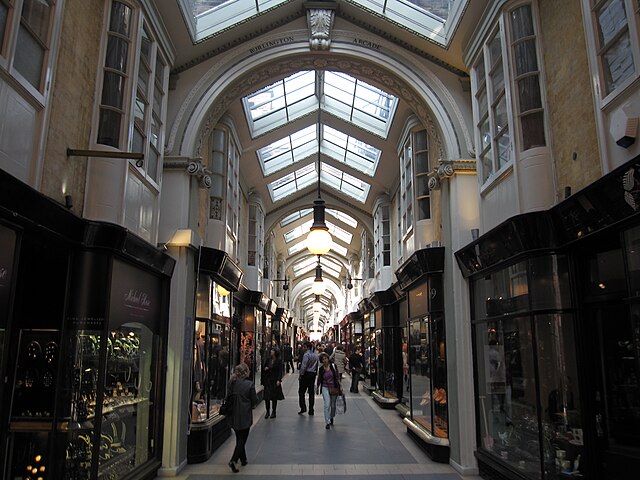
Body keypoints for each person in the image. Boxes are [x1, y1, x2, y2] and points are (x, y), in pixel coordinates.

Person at [226, 363, 258, 473]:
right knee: (242, 439)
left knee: (239, 437)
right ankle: (233, 460)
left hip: (233, 415)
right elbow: (255, 400)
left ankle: (243, 459)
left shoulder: (231, 383)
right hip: (244, 415)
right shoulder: (249, 384)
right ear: (246, 372)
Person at [316, 352, 342, 429]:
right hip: (325, 387)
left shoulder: (333, 366)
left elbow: (337, 377)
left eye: (326, 358)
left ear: (328, 359)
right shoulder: (321, 369)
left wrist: (340, 386)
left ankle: (331, 417)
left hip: (333, 387)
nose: (324, 360)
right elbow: (319, 378)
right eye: (323, 359)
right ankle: (327, 422)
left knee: (333, 405)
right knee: (327, 404)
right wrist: (317, 387)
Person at [298, 341, 319, 415]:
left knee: (301, 392)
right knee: (311, 392)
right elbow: (317, 365)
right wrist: (315, 372)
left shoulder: (306, 355)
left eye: (304, 347)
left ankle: (303, 407)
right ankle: (311, 409)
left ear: (307, 347)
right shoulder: (315, 355)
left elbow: (303, 366)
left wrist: (301, 374)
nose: (303, 348)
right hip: (312, 374)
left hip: (306, 374)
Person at [262, 348, 284, 419]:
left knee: (274, 397)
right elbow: (264, 367)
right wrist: (265, 369)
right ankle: (267, 411)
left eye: (272, 351)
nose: (271, 352)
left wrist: (279, 380)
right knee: (267, 397)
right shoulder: (268, 360)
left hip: (274, 380)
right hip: (268, 380)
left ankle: (274, 411)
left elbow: (280, 371)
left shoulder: (278, 361)